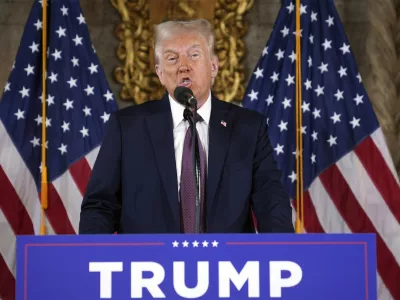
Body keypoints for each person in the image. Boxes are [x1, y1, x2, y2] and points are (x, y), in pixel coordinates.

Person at [79, 19, 294, 234]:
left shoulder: (248, 127)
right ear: (160, 73)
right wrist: (93, 257)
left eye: (194, 55)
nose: (184, 66)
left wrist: (283, 252)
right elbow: (100, 206)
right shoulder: (127, 127)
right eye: (172, 58)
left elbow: (271, 200)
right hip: (148, 263)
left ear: (213, 66)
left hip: (226, 262)